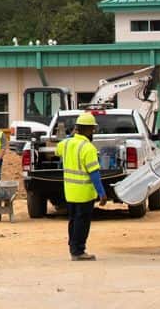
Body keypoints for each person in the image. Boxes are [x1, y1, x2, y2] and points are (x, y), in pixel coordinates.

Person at [57, 112, 108, 261]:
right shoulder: (88, 148)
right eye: (92, 129)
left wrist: (71, 135)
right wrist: (102, 193)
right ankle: (78, 251)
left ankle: (73, 248)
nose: (93, 132)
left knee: (73, 220)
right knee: (82, 222)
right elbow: (94, 174)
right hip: (84, 193)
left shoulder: (66, 144)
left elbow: (57, 149)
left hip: (70, 192)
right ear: (86, 129)